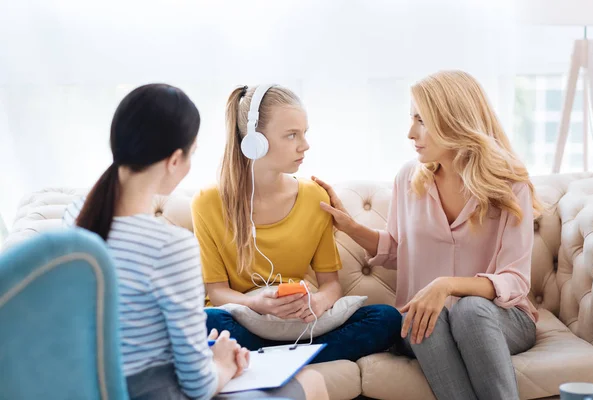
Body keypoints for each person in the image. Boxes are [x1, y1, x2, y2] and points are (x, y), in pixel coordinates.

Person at [64, 83, 327, 400]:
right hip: (150, 390)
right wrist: (222, 363)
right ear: (175, 160)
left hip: (85, 386)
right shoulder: (171, 246)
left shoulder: (74, 216)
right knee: (312, 383)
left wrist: (203, 349)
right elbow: (198, 386)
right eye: (192, 154)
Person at [313, 70, 543, 400]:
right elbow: (396, 250)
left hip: (501, 320)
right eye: (411, 119)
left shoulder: (510, 183)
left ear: (454, 120)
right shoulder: (409, 178)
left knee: (470, 311)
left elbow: (515, 280)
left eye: (421, 120)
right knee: (426, 318)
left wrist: (447, 285)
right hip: (424, 323)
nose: (410, 132)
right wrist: (349, 226)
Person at [191, 84, 402, 364]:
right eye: (292, 135)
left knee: (385, 319)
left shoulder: (315, 196)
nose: (305, 145)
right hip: (244, 319)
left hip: (302, 324)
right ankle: (298, 357)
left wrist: (319, 303)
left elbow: (331, 286)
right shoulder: (207, 202)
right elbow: (217, 292)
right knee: (206, 321)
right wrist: (256, 303)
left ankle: (269, 359)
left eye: (304, 133)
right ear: (255, 142)